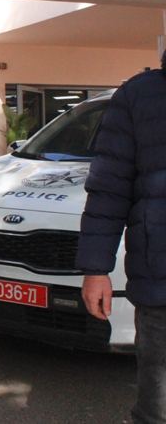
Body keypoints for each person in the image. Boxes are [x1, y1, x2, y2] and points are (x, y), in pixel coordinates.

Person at [76, 57, 166, 424]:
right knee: (157, 410)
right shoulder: (138, 95)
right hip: (160, 285)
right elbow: (108, 190)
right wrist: (96, 269)